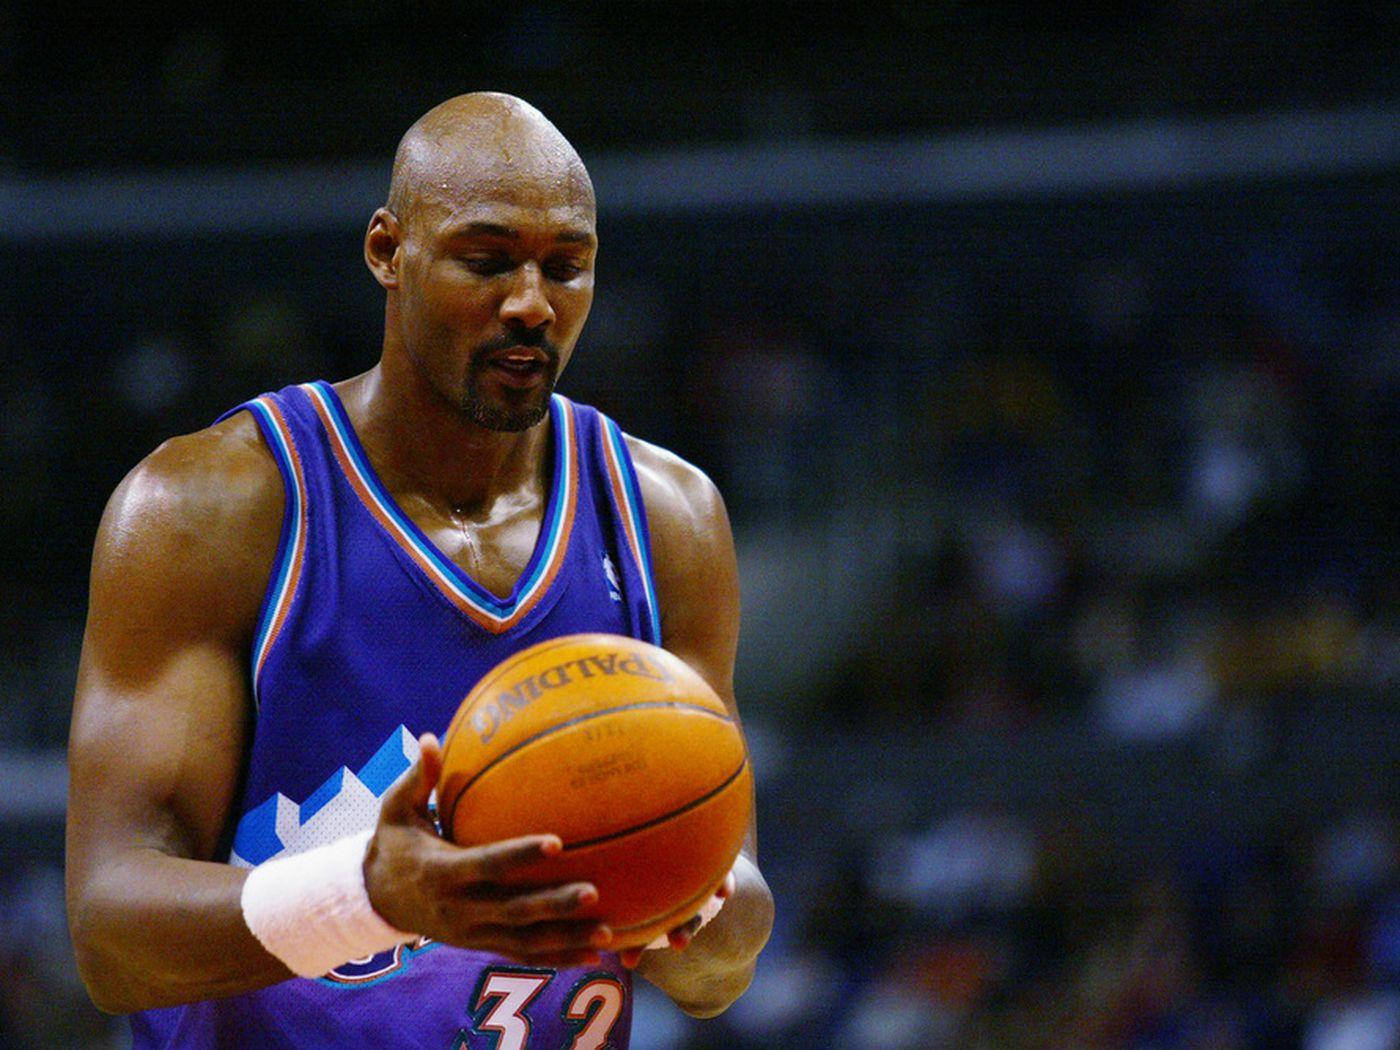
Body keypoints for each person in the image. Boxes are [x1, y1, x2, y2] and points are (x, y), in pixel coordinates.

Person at [65, 92, 774, 1048]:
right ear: (387, 252)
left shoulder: (666, 517)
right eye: (486, 261)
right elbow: (112, 934)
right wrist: (370, 896)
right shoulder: (212, 508)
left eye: (566, 268)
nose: (531, 302)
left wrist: (684, 899)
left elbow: (719, 970)